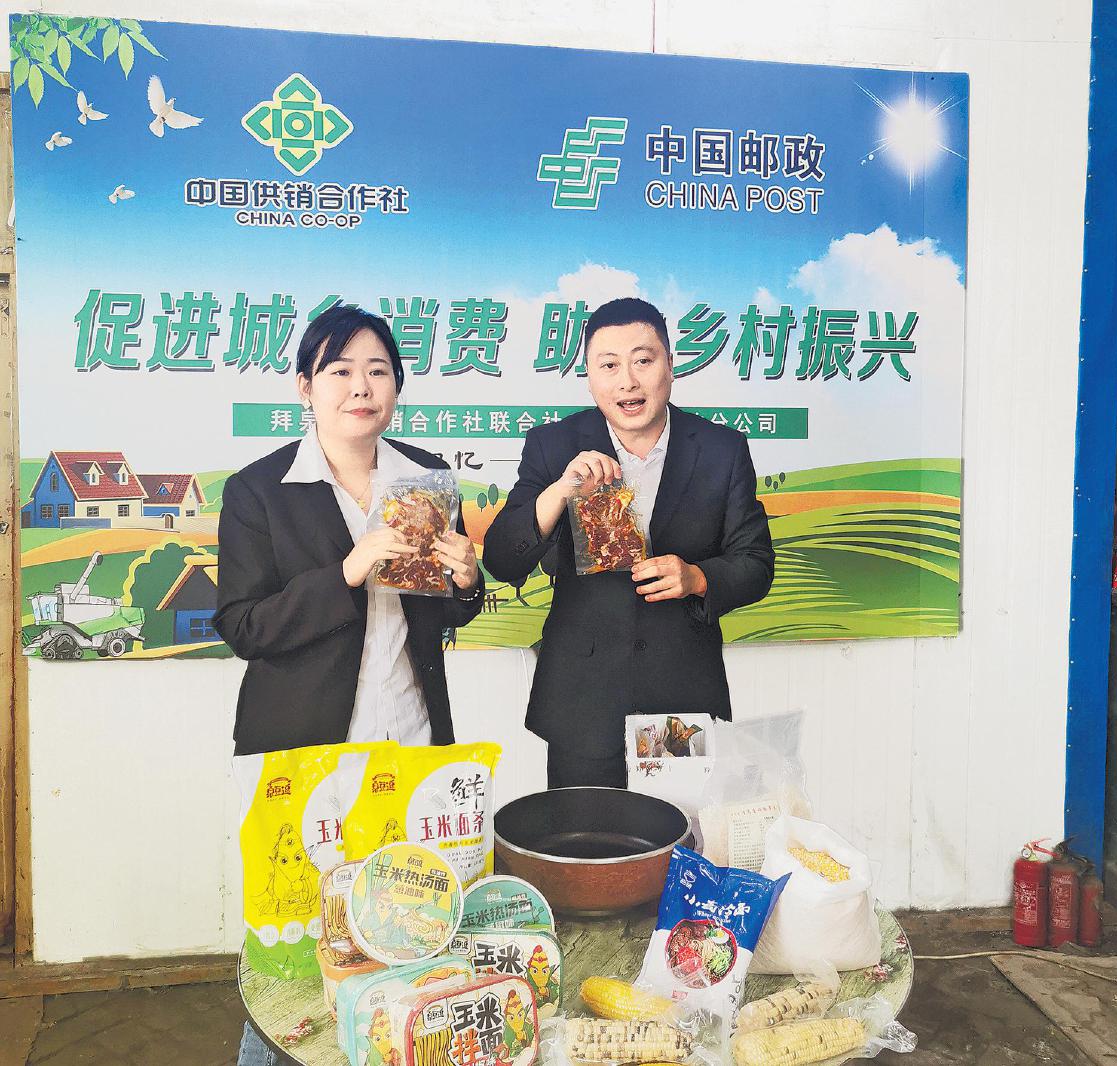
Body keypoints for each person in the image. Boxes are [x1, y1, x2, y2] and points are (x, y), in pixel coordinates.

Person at [215, 303, 484, 1065]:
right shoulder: (260, 490)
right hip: (304, 754)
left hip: (411, 741)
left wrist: (467, 579)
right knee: (303, 953)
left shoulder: (423, 476)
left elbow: (444, 609)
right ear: (305, 386)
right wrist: (346, 571)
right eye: (339, 371)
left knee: (413, 929)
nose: (361, 387)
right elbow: (243, 625)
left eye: (378, 371)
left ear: (396, 385)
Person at [483, 297, 774, 789]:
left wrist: (698, 578)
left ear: (670, 366)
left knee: (679, 834)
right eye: (609, 365)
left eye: (643, 360)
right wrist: (560, 490)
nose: (628, 381)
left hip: (682, 700)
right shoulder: (554, 445)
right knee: (583, 837)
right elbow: (501, 558)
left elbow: (756, 563)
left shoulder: (721, 450)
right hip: (583, 704)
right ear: (589, 377)